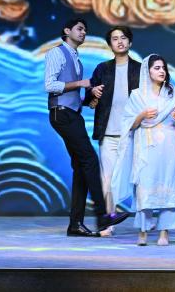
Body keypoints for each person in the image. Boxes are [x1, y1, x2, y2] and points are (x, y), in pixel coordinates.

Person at [44, 17, 130, 237]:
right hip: (62, 114)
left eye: (85, 30)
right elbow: (50, 85)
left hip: (72, 113)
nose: (83, 33)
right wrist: (81, 83)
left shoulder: (77, 59)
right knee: (90, 161)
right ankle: (103, 216)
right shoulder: (56, 53)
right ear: (67, 31)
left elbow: (72, 94)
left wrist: (88, 98)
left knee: (81, 167)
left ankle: (75, 224)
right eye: (80, 29)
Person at [110, 54, 175, 246]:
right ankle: (143, 232)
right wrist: (142, 115)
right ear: (147, 71)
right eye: (157, 68)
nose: (162, 71)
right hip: (145, 145)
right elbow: (128, 124)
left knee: (168, 186)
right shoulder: (137, 96)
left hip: (169, 146)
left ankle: (164, 232)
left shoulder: (173, 94)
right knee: (144, 187)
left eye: (163, 68)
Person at [85, 26, 141, 236]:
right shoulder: (102, 69)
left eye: (123, 38)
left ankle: (145, 218)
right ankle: (108, 221)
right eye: (115, 39)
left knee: (139, 178)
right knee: (107, 179)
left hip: (134, 133)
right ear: (110, 45)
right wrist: (93, 92)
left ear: (130, 42)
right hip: (108, 134)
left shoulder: (140, 69)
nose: (120, 41)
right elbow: (89, 100)